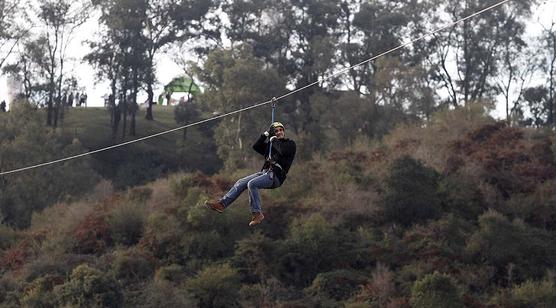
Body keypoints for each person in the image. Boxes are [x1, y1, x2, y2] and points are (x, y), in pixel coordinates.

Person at [205, 122, 296, 226]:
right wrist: (266, 134)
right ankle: (222, 204)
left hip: (276, 176)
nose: (279, 132)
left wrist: (273, 139)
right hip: (265, 172)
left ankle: (257, 213)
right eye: (276, 131)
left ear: (284, 132)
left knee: (252, 184)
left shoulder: (290, 144)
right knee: (241, 182)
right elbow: (256, 146)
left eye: (281, 130)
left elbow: (281, 151)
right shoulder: (271, 146)